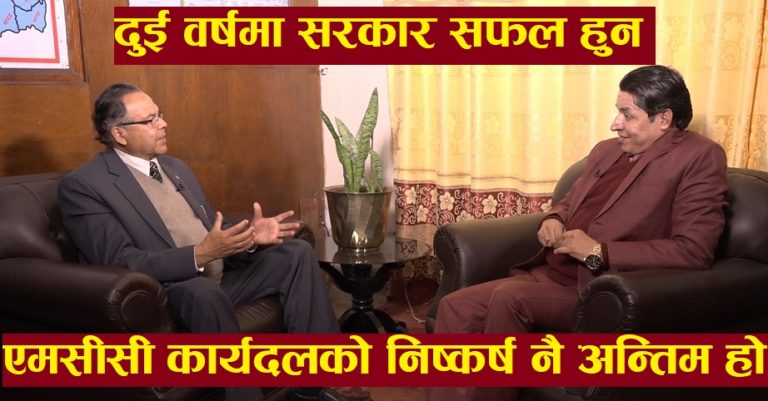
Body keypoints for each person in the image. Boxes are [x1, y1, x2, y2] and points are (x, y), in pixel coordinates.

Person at [427, 65, 729, 401]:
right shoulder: (607, 150)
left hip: (595, 286)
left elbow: (693, 250)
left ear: (663, 118)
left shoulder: (699, 157)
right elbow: (570, 201)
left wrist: (600, 252)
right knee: (455, 306)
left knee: (509, 298)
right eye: (618, 112)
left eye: (627, 114)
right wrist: (554, 218)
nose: (615, 124)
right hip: (549, 273)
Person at [58, 83, 371, 401]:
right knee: (203, 292)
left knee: (295, 253)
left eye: (159, 114)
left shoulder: (175, 167)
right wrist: (200, 254)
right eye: (149, 120)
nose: (163, 124)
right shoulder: (86, 186)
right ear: (119, 134)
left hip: (219, 275)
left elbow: (207, 228)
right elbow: (120, 261)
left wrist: (251, 237)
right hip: (171, 291)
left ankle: (316, 384)